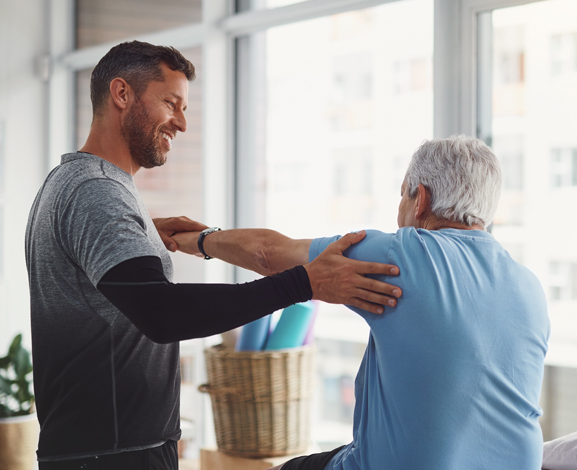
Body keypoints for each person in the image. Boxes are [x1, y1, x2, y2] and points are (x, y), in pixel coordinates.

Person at [24, 40, 402, 470]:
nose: (182, 123)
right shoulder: (97, 191)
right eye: (172, 103)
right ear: (122, 94)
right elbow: (163, 314)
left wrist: (153, 232)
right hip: (111, 457)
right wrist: (305, 282)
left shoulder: (73, 181)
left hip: (103, 451)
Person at [173, 135, 550, 470]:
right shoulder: (530, 287)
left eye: (403, 194)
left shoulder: (404, 254)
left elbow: (269, 254)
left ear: (421, 199)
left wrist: (196, 240)